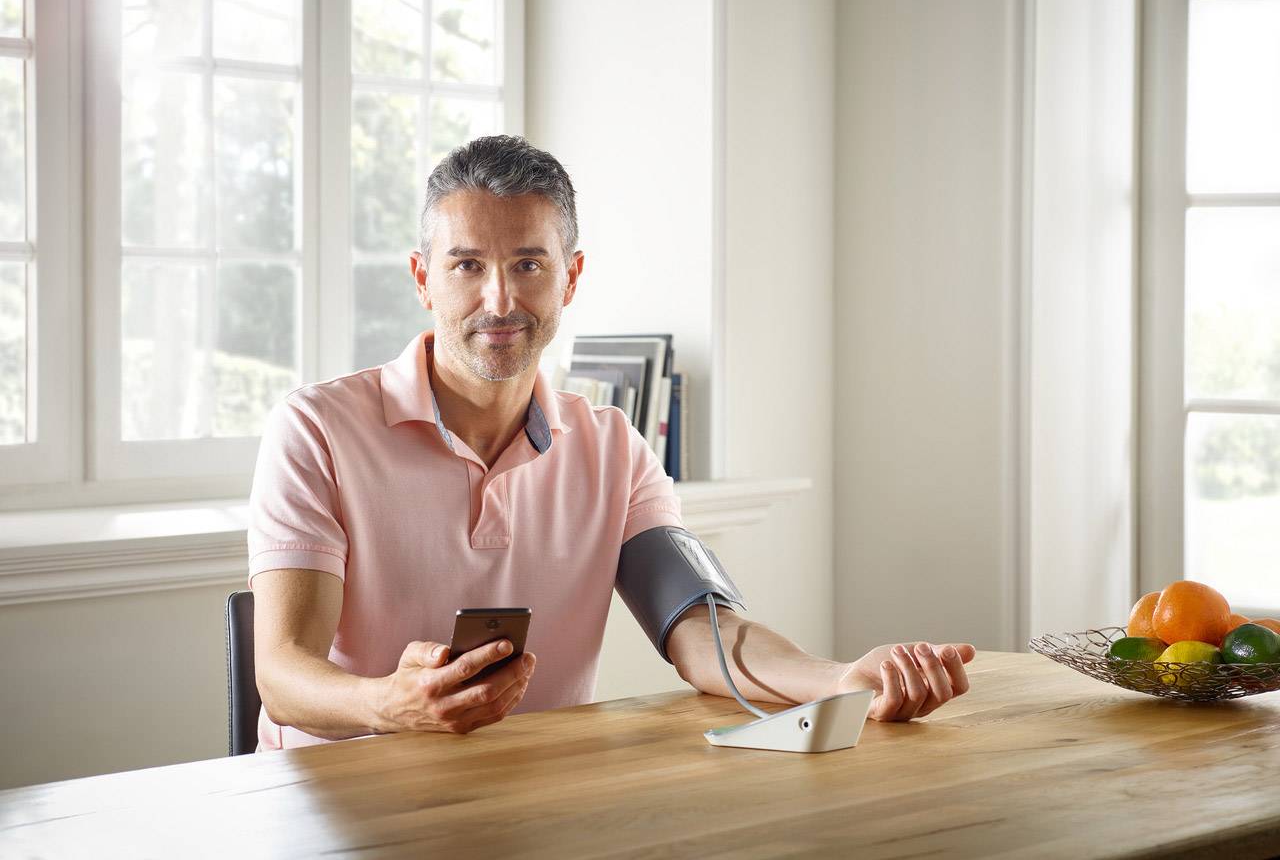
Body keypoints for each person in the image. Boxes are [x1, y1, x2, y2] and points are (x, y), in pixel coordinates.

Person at [247, 135, 975, 752]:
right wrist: (388, 705)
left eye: (529, 264)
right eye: (467, 264)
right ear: (421, 277)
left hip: (531, 805)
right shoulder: (315, 429)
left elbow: (705, 633)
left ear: (571, 276)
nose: (499, 300)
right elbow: (281, 673)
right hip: (330, 808)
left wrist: (841, 679)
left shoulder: (612, 447)